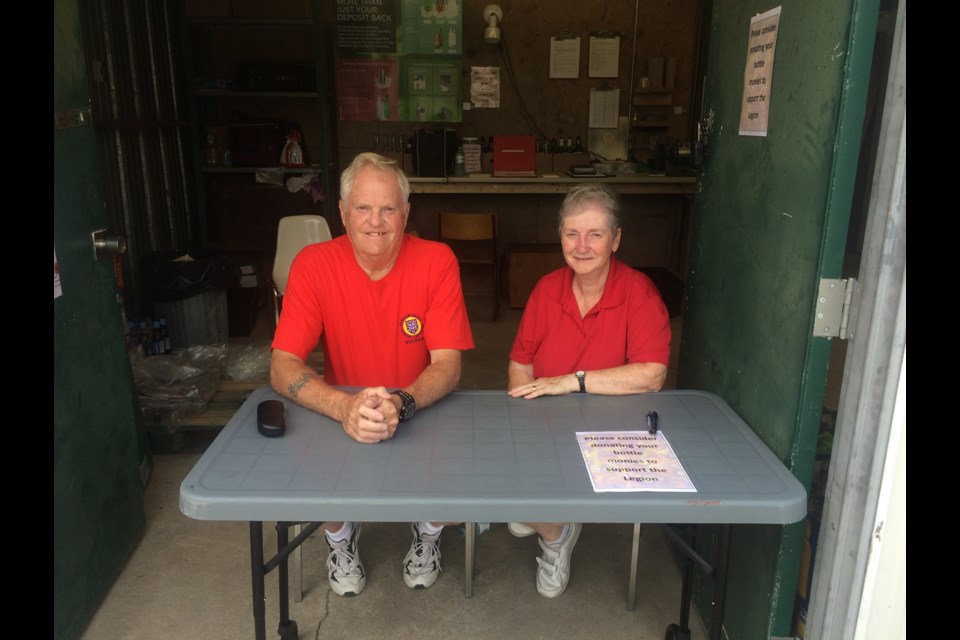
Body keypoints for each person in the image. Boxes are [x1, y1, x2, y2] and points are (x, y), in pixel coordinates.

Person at [270, 152, 474, 596]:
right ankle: (340, 538)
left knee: (459, 469)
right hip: (342, 406)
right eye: (363, 207)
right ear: (342, 213)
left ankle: (428, 531)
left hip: (420, 404)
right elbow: (282, 365)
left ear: (405, 214)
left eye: (387, 208)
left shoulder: (437, 260)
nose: (375, 221)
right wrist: (344, 407)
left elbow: (448, 365)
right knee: (309, 462)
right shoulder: (312, 264)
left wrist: (403, 402)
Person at [506, 182, 672, 598]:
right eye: (571, 234)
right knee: (498, 478)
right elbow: (520, 362)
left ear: (615, 240)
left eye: (595, 234)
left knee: (524, 498)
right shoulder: (547, 289)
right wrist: (522, 428)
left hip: (610, 433)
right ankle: (556, 521)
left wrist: (573, 381)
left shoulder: (639, 294)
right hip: (546, 426)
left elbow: (652, 374)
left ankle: (555, 535)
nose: (582, 246)